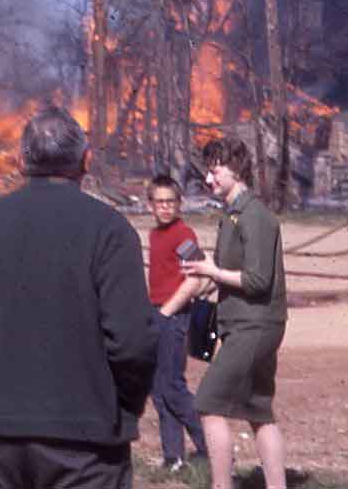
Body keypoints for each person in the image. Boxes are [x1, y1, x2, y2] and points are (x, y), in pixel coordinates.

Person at [0, 105, 156, 489]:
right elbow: (133, 343)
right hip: (85, 445)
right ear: (86, 161)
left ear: (20, 161)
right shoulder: (110, 231)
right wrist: (118, 404)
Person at [176, 137, 288, 489]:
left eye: (214, 172)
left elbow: (256, 281)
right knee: (258, 411)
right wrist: (206, 276)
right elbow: (229, 273)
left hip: (254, 325)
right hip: (246, 324)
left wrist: (212, 273)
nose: (208, 180)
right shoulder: (233, 215)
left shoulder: (256, 217)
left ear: (236, 170)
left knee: (208, 404)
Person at [144, 173, 209, 472]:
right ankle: (173, 456)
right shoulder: (155, 235)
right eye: (160, 202)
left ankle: (209, 446)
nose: (165, 208)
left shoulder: (184, 235)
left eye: (171, 202)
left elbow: (195, 278)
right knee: (158, 389)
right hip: (156, 314)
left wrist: (166, 313)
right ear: (150, 206)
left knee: (172, 386)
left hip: (174, 315)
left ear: (179, 204)